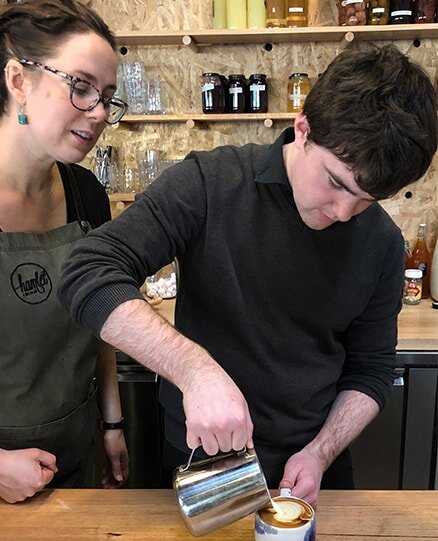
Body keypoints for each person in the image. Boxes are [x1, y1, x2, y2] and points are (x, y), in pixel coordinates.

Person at [58, 44, 437, 506]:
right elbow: (88, 271)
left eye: (367, 199)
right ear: (303, 129)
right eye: (337, 183)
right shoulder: (209, 183)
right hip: (204, 458)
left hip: (315, 463)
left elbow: (371, 371)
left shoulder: (380, 242)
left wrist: (320, 453)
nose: (343, 212)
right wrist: (195, 371)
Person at [0, 0, 130, 504]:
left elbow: (99, 314)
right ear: (18, 81)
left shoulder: (85, 193)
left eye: (107, 97)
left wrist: (112, 422)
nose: (98, 113)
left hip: (73, 457)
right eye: (80, 87)